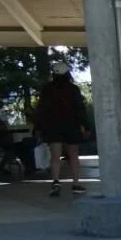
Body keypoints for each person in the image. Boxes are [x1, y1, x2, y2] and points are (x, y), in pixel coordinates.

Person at [35, 60, 88, 197]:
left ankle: (56, 182)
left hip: (53, 126)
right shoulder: (73, 89)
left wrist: (39, 126)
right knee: (73, 155)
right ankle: (76, 183)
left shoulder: (47, 89)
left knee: (55, 156)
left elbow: (41, 109)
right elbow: (80, 109)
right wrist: (86, 126)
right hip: (72, 125)